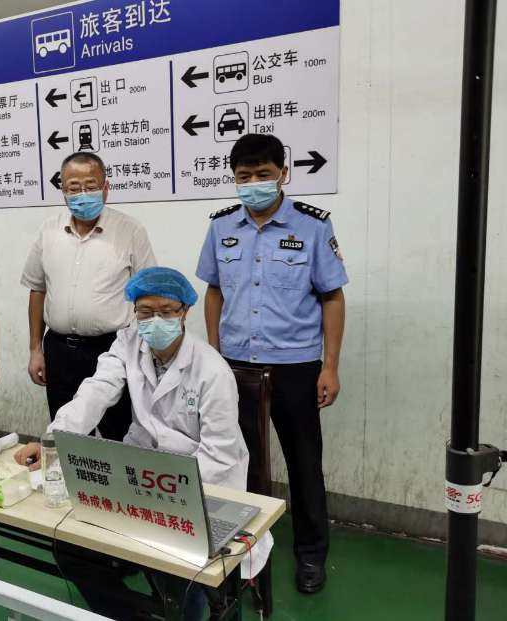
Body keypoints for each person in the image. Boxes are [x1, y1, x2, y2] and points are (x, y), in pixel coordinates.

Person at [16, 267, 273, 621]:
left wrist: (168, 491)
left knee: (177, 572)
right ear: (134, 311)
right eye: (146, 312)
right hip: (139, 477)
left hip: (200, 485)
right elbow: (96, 391)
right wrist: (53, 439)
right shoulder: (128, 343)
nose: (155, 321)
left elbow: (219, 455)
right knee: (71, 548)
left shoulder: (212, 371)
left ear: (185, 311)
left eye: (166, 311)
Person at [196, 134, 348, 594]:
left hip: (296, 367)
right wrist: (215, 354)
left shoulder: (313, 226)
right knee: (237, 462)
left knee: (304, 465)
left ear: (284, 173)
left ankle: (310, 555)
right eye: (244, 176)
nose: (254, 183)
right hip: (237, 368)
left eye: (263, 174)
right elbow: (214, 291)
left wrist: (330, 366)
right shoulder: (221, 226)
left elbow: (333, 297)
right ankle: (242, 550)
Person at [21, 151, 155, 441]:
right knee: (65, 433)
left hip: (112, 349)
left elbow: (149, 294)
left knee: (117, 434)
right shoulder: (48, 230)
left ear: (106, 188)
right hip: (59, 350)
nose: (82, 194)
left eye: (91, 186)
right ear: (63, 191)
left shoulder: (130, 231)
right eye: (74, 187)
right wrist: (35, 349)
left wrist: (143, 353)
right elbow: (37, 289)